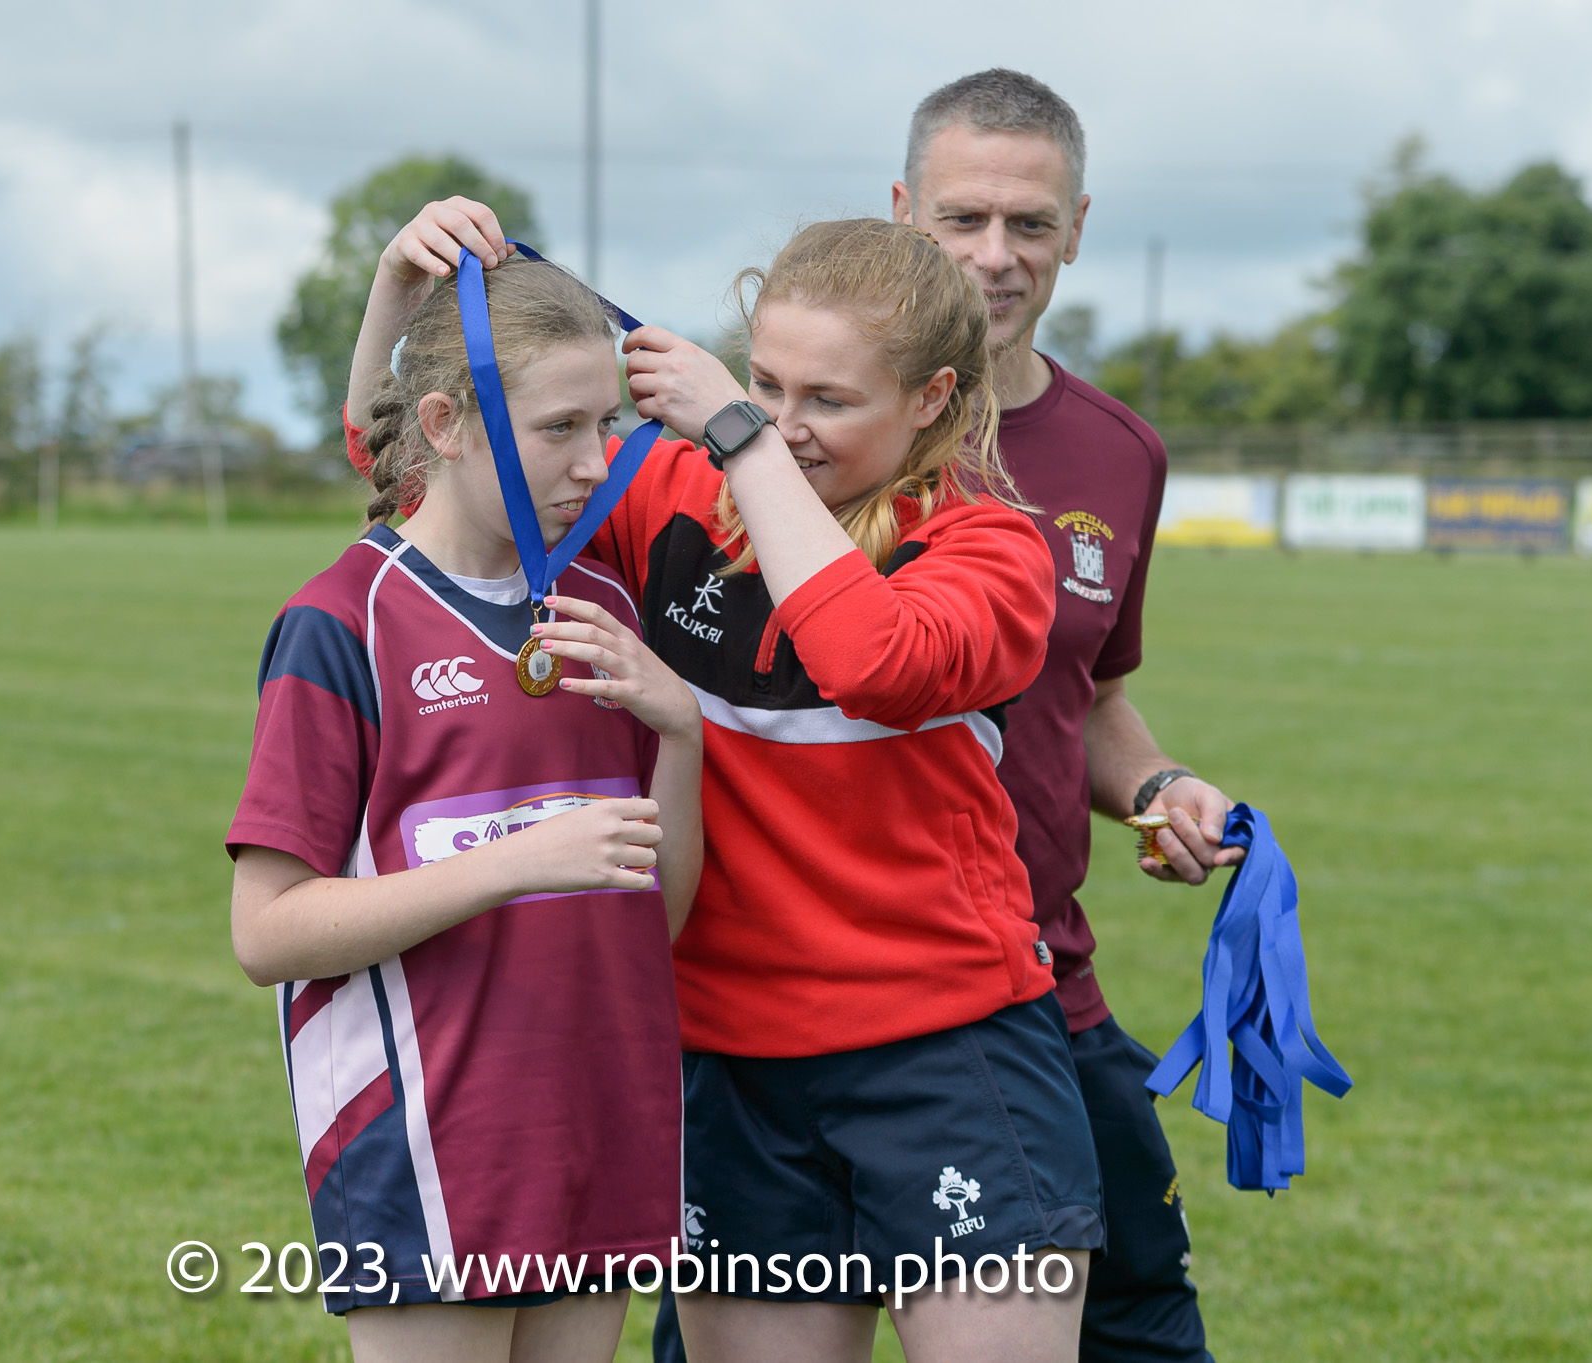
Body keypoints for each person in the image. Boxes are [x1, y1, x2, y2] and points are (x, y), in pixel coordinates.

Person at [353, 205, 1106, 1362]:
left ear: (931, 399)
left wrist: (741, 438)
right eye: (765, 383)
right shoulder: (671, 496)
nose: (787, 425)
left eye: (828, 401)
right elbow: (432, 487)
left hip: (948, 1053)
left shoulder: (987, 547)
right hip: (725, 1061)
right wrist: (392, 298)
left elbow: (871, 660)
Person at [227, 210, 705, 1363]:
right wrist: (518, 861)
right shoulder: (343, 621)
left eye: (607, 423)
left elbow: (658, 917)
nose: (595, 461)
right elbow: (267, 932)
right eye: (557, 428)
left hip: (601, 1116)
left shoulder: (605, 612)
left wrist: (682, 735)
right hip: (427, 1138)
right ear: (444, 424)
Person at [890, 70, 1242, 1363]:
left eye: (1029, 222)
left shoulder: (1118, 452)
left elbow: (1087, 695)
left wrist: (1158, 788)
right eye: (963, 217)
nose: (996, 254)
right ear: (901, 213)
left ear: (1077, 228)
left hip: (1037, 981)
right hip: (810, 1002)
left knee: (1142, 1326)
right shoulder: (806, 433)